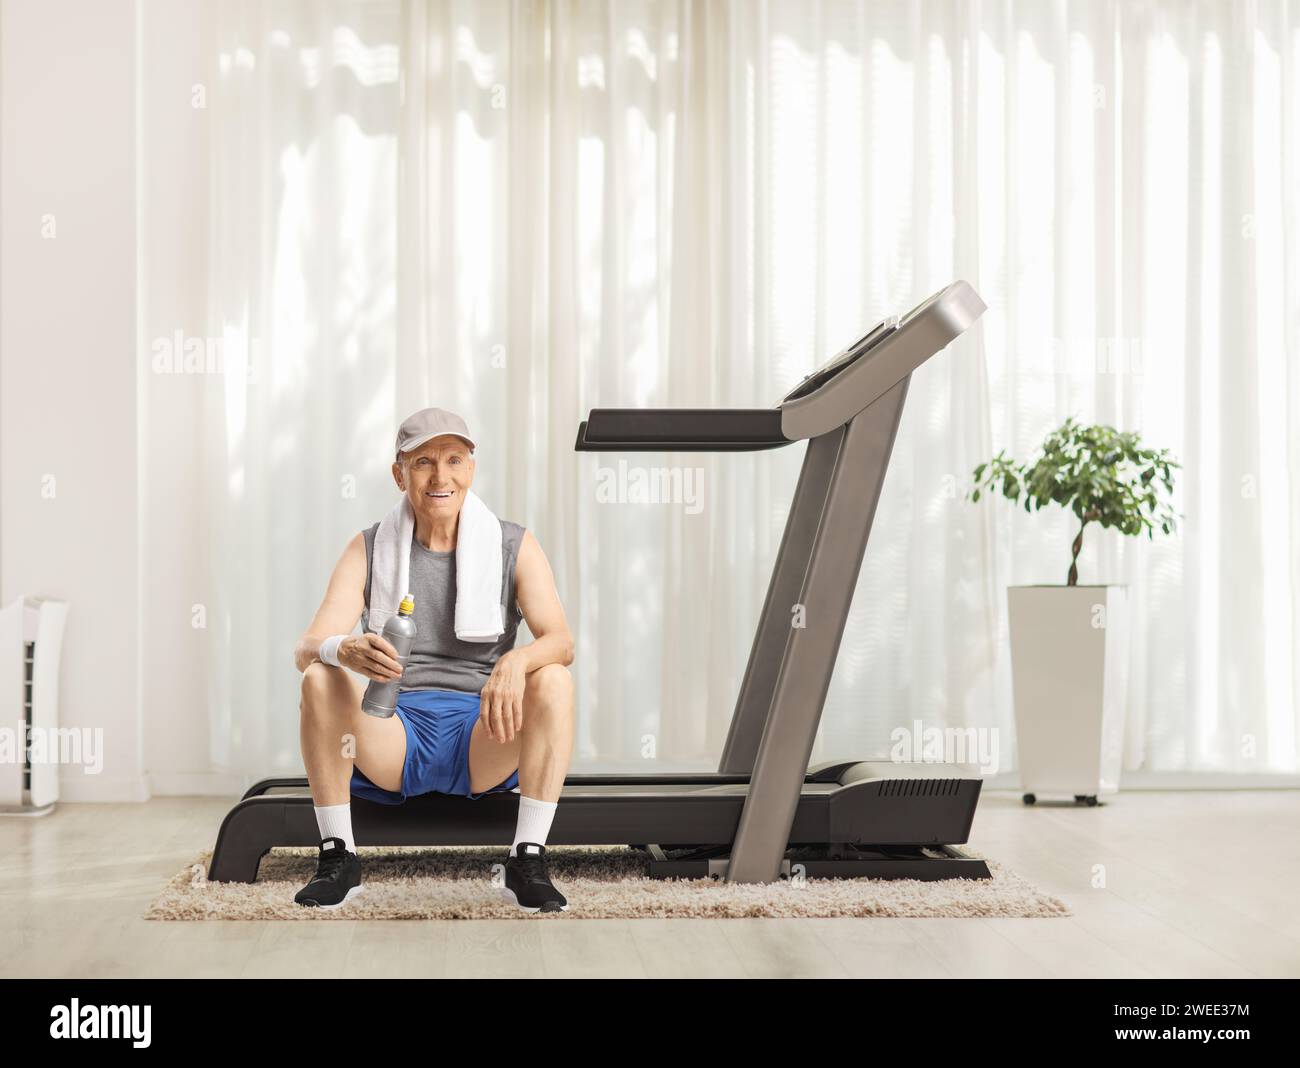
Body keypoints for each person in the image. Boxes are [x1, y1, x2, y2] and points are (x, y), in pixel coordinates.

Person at [291, 408, 575, 912]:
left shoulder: (514, 545)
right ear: (399, 473)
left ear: (471, 468)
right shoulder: (369, 546)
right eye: (423, 462)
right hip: (391, 729)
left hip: (485, 732)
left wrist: (516, 662)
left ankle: (527, 858)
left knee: (552, 679)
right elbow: (307, 646)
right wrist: (345, 648)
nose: (440, 476)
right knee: (319, 676)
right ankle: (339, 856)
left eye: (454, 460)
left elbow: (561, 642)